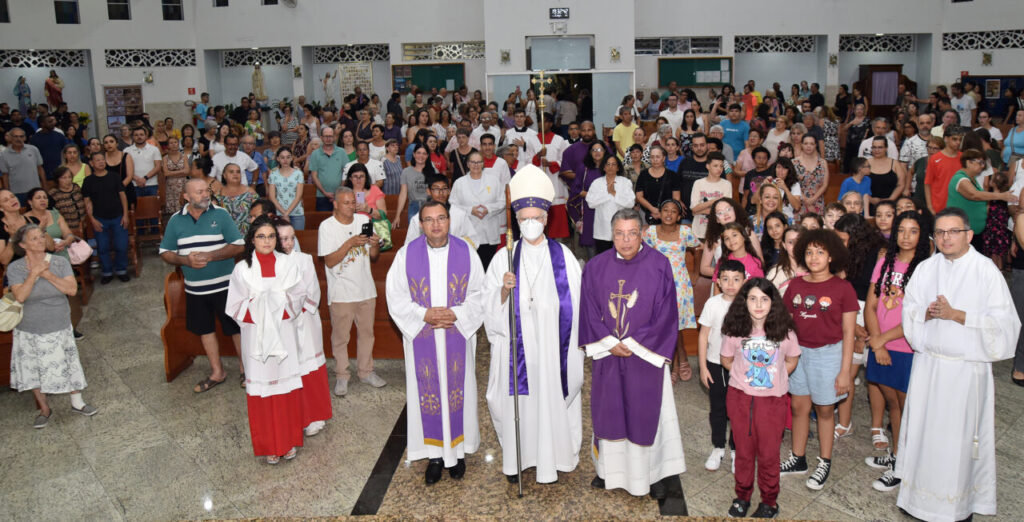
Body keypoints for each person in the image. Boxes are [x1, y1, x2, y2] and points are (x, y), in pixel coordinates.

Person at [895, 207, 1020, 520]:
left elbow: (1006, 325)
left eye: (952, 232)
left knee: (957, 444)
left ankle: (957, 507)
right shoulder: (926, 268)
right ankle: (920, 502)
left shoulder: (985, 271)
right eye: (939, 232)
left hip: (965, 371)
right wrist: (926, 312)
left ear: (969, 234)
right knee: (924, 437)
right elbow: (909, 309)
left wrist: (957, 315)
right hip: (929, 367)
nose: (945, 238)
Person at [483, 165, 583, 484]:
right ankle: (519, 458)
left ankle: (553, 456)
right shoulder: (503, 258)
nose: (530, 224)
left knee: (550, 398)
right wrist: (503, 290)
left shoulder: (564, 257)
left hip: (553, 349)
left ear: (545, 219)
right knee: (519, 403)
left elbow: (577, 307)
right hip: (518, 350)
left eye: (535, 218)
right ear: (517, 220)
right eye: (523, 218)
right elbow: (488, 309)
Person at [580, 208, 684, 499]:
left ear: (642, 234)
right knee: (609, 411)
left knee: (646, 413)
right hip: (608, 354)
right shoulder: (595, 266)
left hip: (645, 357)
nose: (625, 240)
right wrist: (607, 342)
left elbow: (667, 314)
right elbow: (587, 310)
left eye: (632, 233)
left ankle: (652, 475)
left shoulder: (659, 265)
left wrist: (635, 345)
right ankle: (607, 471)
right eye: (619, 234)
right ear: (611, 234)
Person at [385, 200, 485, 484]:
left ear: (449, 221)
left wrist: (455, 314)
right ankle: (435, 456)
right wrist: (424, 315)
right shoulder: (406, 255)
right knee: (426, 394)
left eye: (441, 218)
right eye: (429, 220)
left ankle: (459, 453)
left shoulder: (467, 252)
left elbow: (480, 293)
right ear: (421, 224)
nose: (436, 224)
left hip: (457, 333)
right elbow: (396, 297)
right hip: (423, 337)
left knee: (459, 391)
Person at [225, 216, 308, 464]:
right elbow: (235, 305)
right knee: (263, 395)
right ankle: (269, 445)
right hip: (257, 338)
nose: (267, 241)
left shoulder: (287, 264)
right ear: (252, 240)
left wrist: (277, 307)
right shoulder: (242, 269)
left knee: (285, 391)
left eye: (271, 236)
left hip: (283, 334)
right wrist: (263, 308)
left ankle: (288, 441)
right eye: (261, 236)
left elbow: (298, 294)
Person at [780, 228, 857, 491]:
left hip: (828, 355)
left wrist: (845, 371)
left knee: (825, 411)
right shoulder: (796, 285)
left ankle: (824, 460)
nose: (814, 257)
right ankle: (798, 458)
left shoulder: (843, 288)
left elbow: (849, 333)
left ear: (832, 256)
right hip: (799, 353)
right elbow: (786, 323)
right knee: (799, 408)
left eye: (820, 252)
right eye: (810, 252)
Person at [860, 211, 930, 491]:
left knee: (907, 406)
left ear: (922, 235)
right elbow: (871, 305)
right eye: (902, 230)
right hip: (881, 344)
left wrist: (882, 341)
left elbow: (920, 316)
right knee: (893, 405)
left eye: (913, 231)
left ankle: (904, 465)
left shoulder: (925, 268)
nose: (906, 236)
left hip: (906, 347)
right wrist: (877, 340)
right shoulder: (883, 262)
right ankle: (898, 457)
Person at [720, 277, 801, 519]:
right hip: (740, 398)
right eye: (753, 299)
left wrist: (775, 377)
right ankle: (742, 496)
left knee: (768, 454)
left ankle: (769, 501)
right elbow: (726, 359)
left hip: (771, 402)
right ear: (744, 302)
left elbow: (792, 359)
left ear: (772, 302)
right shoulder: (735, 332)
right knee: (743, 451)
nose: (758, 305)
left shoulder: (784, 333)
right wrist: (743, 376)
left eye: (764, 299)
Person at [160, 179, 245, 392]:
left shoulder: (220, 214)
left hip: (226, 286)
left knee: (236, 329)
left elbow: (238, 245)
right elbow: (166, 253)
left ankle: (246, 371)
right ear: (186, 197)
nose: (205, 195)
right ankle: (218, 372)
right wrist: (184, 260)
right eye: (199, 192)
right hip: (195, 289)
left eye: (206, 191)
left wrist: (211, 255)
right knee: (205, 330)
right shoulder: (175, 220)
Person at [8, 223, 97, 428]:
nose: (40, 241)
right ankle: (44, 409)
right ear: (23, 245)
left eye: (41, 236)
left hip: (58, 322)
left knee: (67, 363)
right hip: (29, 326)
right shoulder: (15, 268)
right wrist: (34, 274)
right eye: (34, 239)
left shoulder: (58, 262)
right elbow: (20, 296)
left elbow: (72, 290)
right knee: (34, 368)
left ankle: (77, 402)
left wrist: (47, 275)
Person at [318, 187, 386, 396]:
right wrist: (349, 243)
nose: (350, 206)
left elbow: (372, 256)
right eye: (345, 203)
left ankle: (366, 371)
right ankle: (341, 375)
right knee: (340, 337)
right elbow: (329, 261)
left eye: (352, 202)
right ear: (336, 204)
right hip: (341, 292)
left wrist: (375, 244)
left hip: (365, 289)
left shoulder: (363, 221)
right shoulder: (327, 227)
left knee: (367, 335)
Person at [697, 259, 745, 472]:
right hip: (715, 363)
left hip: (741, 367)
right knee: (717, 408)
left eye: (736, 279)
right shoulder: (713, 303)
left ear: (745, 281)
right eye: (725, 279)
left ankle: (736, 449)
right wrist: (702, 366)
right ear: (718, 281)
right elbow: (703, 336)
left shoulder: (749, 304)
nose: (731, 284)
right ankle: (718, 447)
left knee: (738, 409)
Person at [946, 149, 1017, 249]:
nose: (983, 166)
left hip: (971, 233)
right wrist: (1001, 196)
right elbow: (975, 195)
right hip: (961, 233)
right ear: (968, 162)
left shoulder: (971, 179)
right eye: (980, 163)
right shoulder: (960, 179)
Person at [80, 151, 130, 283]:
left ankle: (121, 270)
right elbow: (87, 201)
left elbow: (123, 196)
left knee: (121, 245)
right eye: (97, 160)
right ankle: (107, 272)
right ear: (91, 163)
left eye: (103, 159)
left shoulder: (114, 177)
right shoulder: (88, 181)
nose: (101, 162)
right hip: (99, 219)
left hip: (118, 217)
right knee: (103, 247)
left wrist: (125, 215)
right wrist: (92, 219)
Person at [450, 151, 506, 268]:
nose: (476, 165)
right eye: (473, 162)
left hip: (489, 231)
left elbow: (502, 202)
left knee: (487, 266)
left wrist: (489, 209)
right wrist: (470, 210)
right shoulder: (459, 183)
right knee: (470, 267)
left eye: (479, 162)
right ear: (468, 164)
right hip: (468, 232)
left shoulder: (494, 181)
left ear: (483, 163)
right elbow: (453, 205)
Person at [585, 155, 634, 253]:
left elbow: (630, 203)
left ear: (618, 167)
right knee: (603, 260)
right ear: (603, 167)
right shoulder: (596, 183)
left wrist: (614, 193)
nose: (610, 167)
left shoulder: (625, 182)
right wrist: (608, 193)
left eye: (613, 164)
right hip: (602, 229)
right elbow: (591, 203)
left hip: (622, 228)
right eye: (608, 164)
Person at [0, 127, 46, 204]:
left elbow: (40, 169)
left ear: (25, 138)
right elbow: (5, 175)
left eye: (21, 136)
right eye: (16, 136)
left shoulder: (33, 149)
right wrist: (8, 193)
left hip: (35, 191)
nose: (19, 139)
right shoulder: (3, 154)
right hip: (17, 193)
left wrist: (45, 187)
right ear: (10, 137)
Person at [267, 147, 305, 231]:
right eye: (282, 157)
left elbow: (298, 196)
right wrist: (284, 214)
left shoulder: (298, 174)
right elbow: (272, 197)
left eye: (288, 157)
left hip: (297, 213)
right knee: (281, 241)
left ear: (291, 158)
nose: (285, 160)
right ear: (278, 159)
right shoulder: (273, 175)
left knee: (298, 239)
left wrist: (286, 213)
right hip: (279, 213)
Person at [794, 135, 829, 216]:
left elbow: (825, 184)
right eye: (806, 143)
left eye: (811, 144)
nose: (808, 146)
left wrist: (813, 199)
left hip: (817, 201)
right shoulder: (794, 162)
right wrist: (806, 200)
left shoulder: (823, 162)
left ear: (815, 145)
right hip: (799, 201)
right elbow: (793, 183)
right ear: (801, 145)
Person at [124, 126, 162, 197]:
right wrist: (137, 179)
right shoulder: (126, 150)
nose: (139, 137)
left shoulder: (154, 149)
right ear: (132, 137)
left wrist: (145, 178)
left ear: (146, 136)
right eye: (136, 135)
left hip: (151, 184)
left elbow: (158, 167)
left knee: (152, 207)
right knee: (136, 208)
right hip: (134, 185)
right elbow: (125, 168)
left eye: (141, 134)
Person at [48, 166, 86, 232]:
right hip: (67, 229)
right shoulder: (53, 194)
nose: (68, 180)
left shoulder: (76, 187)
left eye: (69, 177)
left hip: (83, 226)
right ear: (57, 179)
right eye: (64, 178)